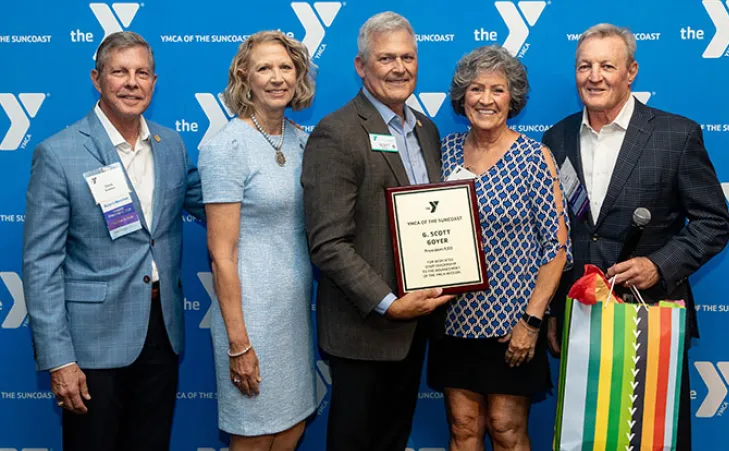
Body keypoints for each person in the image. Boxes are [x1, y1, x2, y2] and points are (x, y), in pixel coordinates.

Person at [542, 23, 729, 449]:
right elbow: (560, 233)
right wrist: (556, 311)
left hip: (652, 318)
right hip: (582, 320)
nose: (595, 77)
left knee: (654, 437)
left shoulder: (676, 135)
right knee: (585, 437)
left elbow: (715, 221)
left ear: (631, 72)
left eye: (607, 66)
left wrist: (658, 265)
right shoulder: (556, 139)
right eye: (584, 66)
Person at [22, 31, 204, 451]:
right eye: (119, 72)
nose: (132, 82)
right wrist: (60, 358)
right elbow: (40, 264)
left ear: (155, 82)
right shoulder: (60, 153)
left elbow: (212, 205)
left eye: (142, 73)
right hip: (90, 346)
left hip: (161, 331)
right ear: (97, 79)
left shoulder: (171, 144)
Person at [301, 11, 453, 451]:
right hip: (365, 327)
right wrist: (389, 304)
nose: (400, 68)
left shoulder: (426, 129)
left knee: (393, 437)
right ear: (361, 66)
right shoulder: (338, 132)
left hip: (417, 323)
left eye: (408, 57)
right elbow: (328, 243)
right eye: (386, 58)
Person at [426, 45, 572, 451]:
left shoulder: (534, 158)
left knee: (507, 430)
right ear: (462, 97)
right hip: (452, 319)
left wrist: (532, 321)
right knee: (463, 427)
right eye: (476, 89)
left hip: (512, 326)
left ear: (514, 98)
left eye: (497, 90)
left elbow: (557, 247)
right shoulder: (443, 151)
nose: (485, 100)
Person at [197, 31, 317, 451]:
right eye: (264, 67)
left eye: (285, 67)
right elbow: (221, 255)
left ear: (299, 75)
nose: (277, 77)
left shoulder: (304, 142)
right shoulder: (226, 147)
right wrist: (238, 343)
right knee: (254, 437)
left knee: (291, 430)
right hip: (249, 318)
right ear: (244, 76)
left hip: (294, 313)